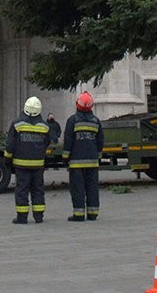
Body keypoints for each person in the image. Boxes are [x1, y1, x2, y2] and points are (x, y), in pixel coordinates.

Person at [7, 97, 51, 224]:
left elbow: (10, 144)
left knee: (22, 190)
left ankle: (22, 217)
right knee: (38, 190)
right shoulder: (45, 126)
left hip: (21, 165)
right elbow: (47, 142)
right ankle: (39, 216)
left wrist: (7, 159)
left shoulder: (17, 124)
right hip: (38, 165)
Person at [64, 91, 104, 221]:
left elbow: (68, 140)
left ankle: (79, 214)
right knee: (92, 188)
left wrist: (66, 157)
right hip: (92, 162)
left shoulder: (72, 120)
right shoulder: (96, 121)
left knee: (78, 188)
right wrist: (98, 156)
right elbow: (100, 141)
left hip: (76, 163)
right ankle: (93, 213)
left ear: (77, 105)